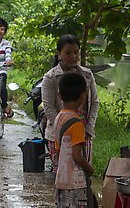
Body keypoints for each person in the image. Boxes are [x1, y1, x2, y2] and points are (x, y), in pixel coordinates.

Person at [53, 72, 97, 208]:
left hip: (61, 177)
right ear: (83, 97)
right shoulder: (77, 123)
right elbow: (78, 156)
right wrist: (91, 168)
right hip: (75, 180)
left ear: (60, 96)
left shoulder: (59, 118)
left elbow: (58, 148)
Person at [41, 34, 99, 173]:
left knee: (81, 173)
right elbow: (49, 108)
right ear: (59, 53)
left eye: (76, 52)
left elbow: (94, 103)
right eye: (68, 53)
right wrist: (64, 128)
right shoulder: (50, 77)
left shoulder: (87, 75)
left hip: (83, 131)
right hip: (59, 134)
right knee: (62, 173)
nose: (73, 56)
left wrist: (89, 128)